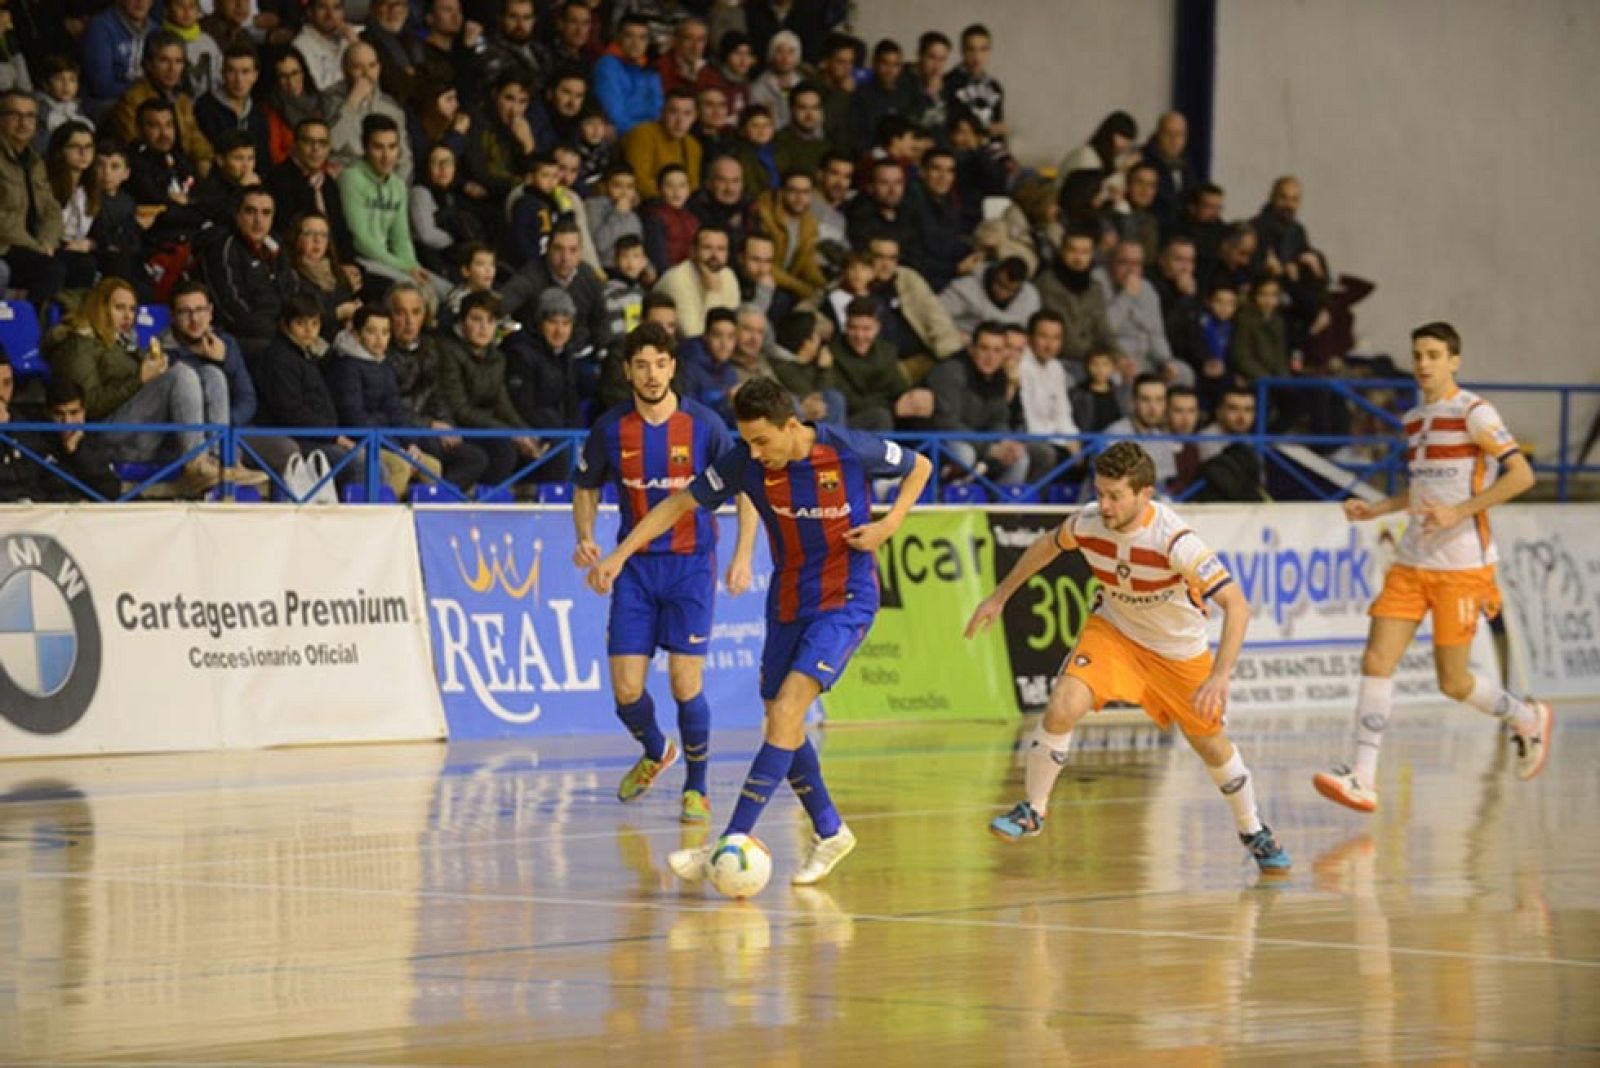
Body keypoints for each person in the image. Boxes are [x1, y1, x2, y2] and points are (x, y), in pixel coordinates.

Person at [588, 376, 932, 887]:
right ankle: (831, 830)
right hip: (789, 600)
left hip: (847, 598)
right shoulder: (746, 464)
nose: (753, 452)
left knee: (790, 710)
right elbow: (676, 505)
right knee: (778, 717)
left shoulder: (846, 448)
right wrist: (619, 553)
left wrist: (889, 524)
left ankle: (729, 840)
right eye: (746, 442)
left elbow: (920, 466)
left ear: (791, 426)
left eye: (761, 441)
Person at [967, 440, 1292, 873]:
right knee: (1063, 704)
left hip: (1178, 653)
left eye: (1115, 495)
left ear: (1145, 494)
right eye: (1100, 492)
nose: (1104, 504)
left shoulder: (1176, 541)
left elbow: (1238, 605)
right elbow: (1047, 546)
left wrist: (1221, 675)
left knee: (1211, 746)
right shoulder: (1088, 521)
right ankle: (1033, 809)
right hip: (1115, 634)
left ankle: (1253, 829)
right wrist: (1000, 596)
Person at [1313, 322, 1551, 813]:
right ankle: (1362, 776)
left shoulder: (1475, 413)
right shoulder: (1415, 419)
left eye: (1434, 354)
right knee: (1376, 661)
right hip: (1412, 560)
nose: (1423, 363)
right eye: (1418, 354)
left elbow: (1522, 475)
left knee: (1453, 682)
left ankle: (1525, 716)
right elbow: (1422, 492)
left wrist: (1462, 511)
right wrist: (1378, 509)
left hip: (1462, 567)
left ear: (1454, 361)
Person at [572, 322, 755, 824]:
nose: (651, 375)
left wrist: (742, 556)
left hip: (692, 567)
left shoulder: (705, 427)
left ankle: (697, 788)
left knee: (683, 682)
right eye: (641, 365)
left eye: (660, 363)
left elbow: (746, 490)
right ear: (627, 370)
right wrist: (585, 536)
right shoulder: (610, 428)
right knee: (627, 690)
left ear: (673, 367)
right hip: (634, 571)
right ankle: (657, 750)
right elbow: (585, 486)